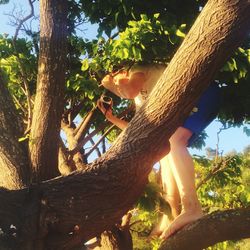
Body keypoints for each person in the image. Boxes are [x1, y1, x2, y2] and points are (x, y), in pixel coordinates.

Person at [97, 64, 221, 239]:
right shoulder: (142, 100)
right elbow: (136, 130)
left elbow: (129, 90)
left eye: (116, 77)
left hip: (201, 91)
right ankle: (171, 213)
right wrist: (112, 118)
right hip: (195, 101)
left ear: (122, 71)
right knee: (165, 152)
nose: (116, 84)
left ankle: (192, 207)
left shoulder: (138, 69)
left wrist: (109, 84)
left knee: (174, 140)